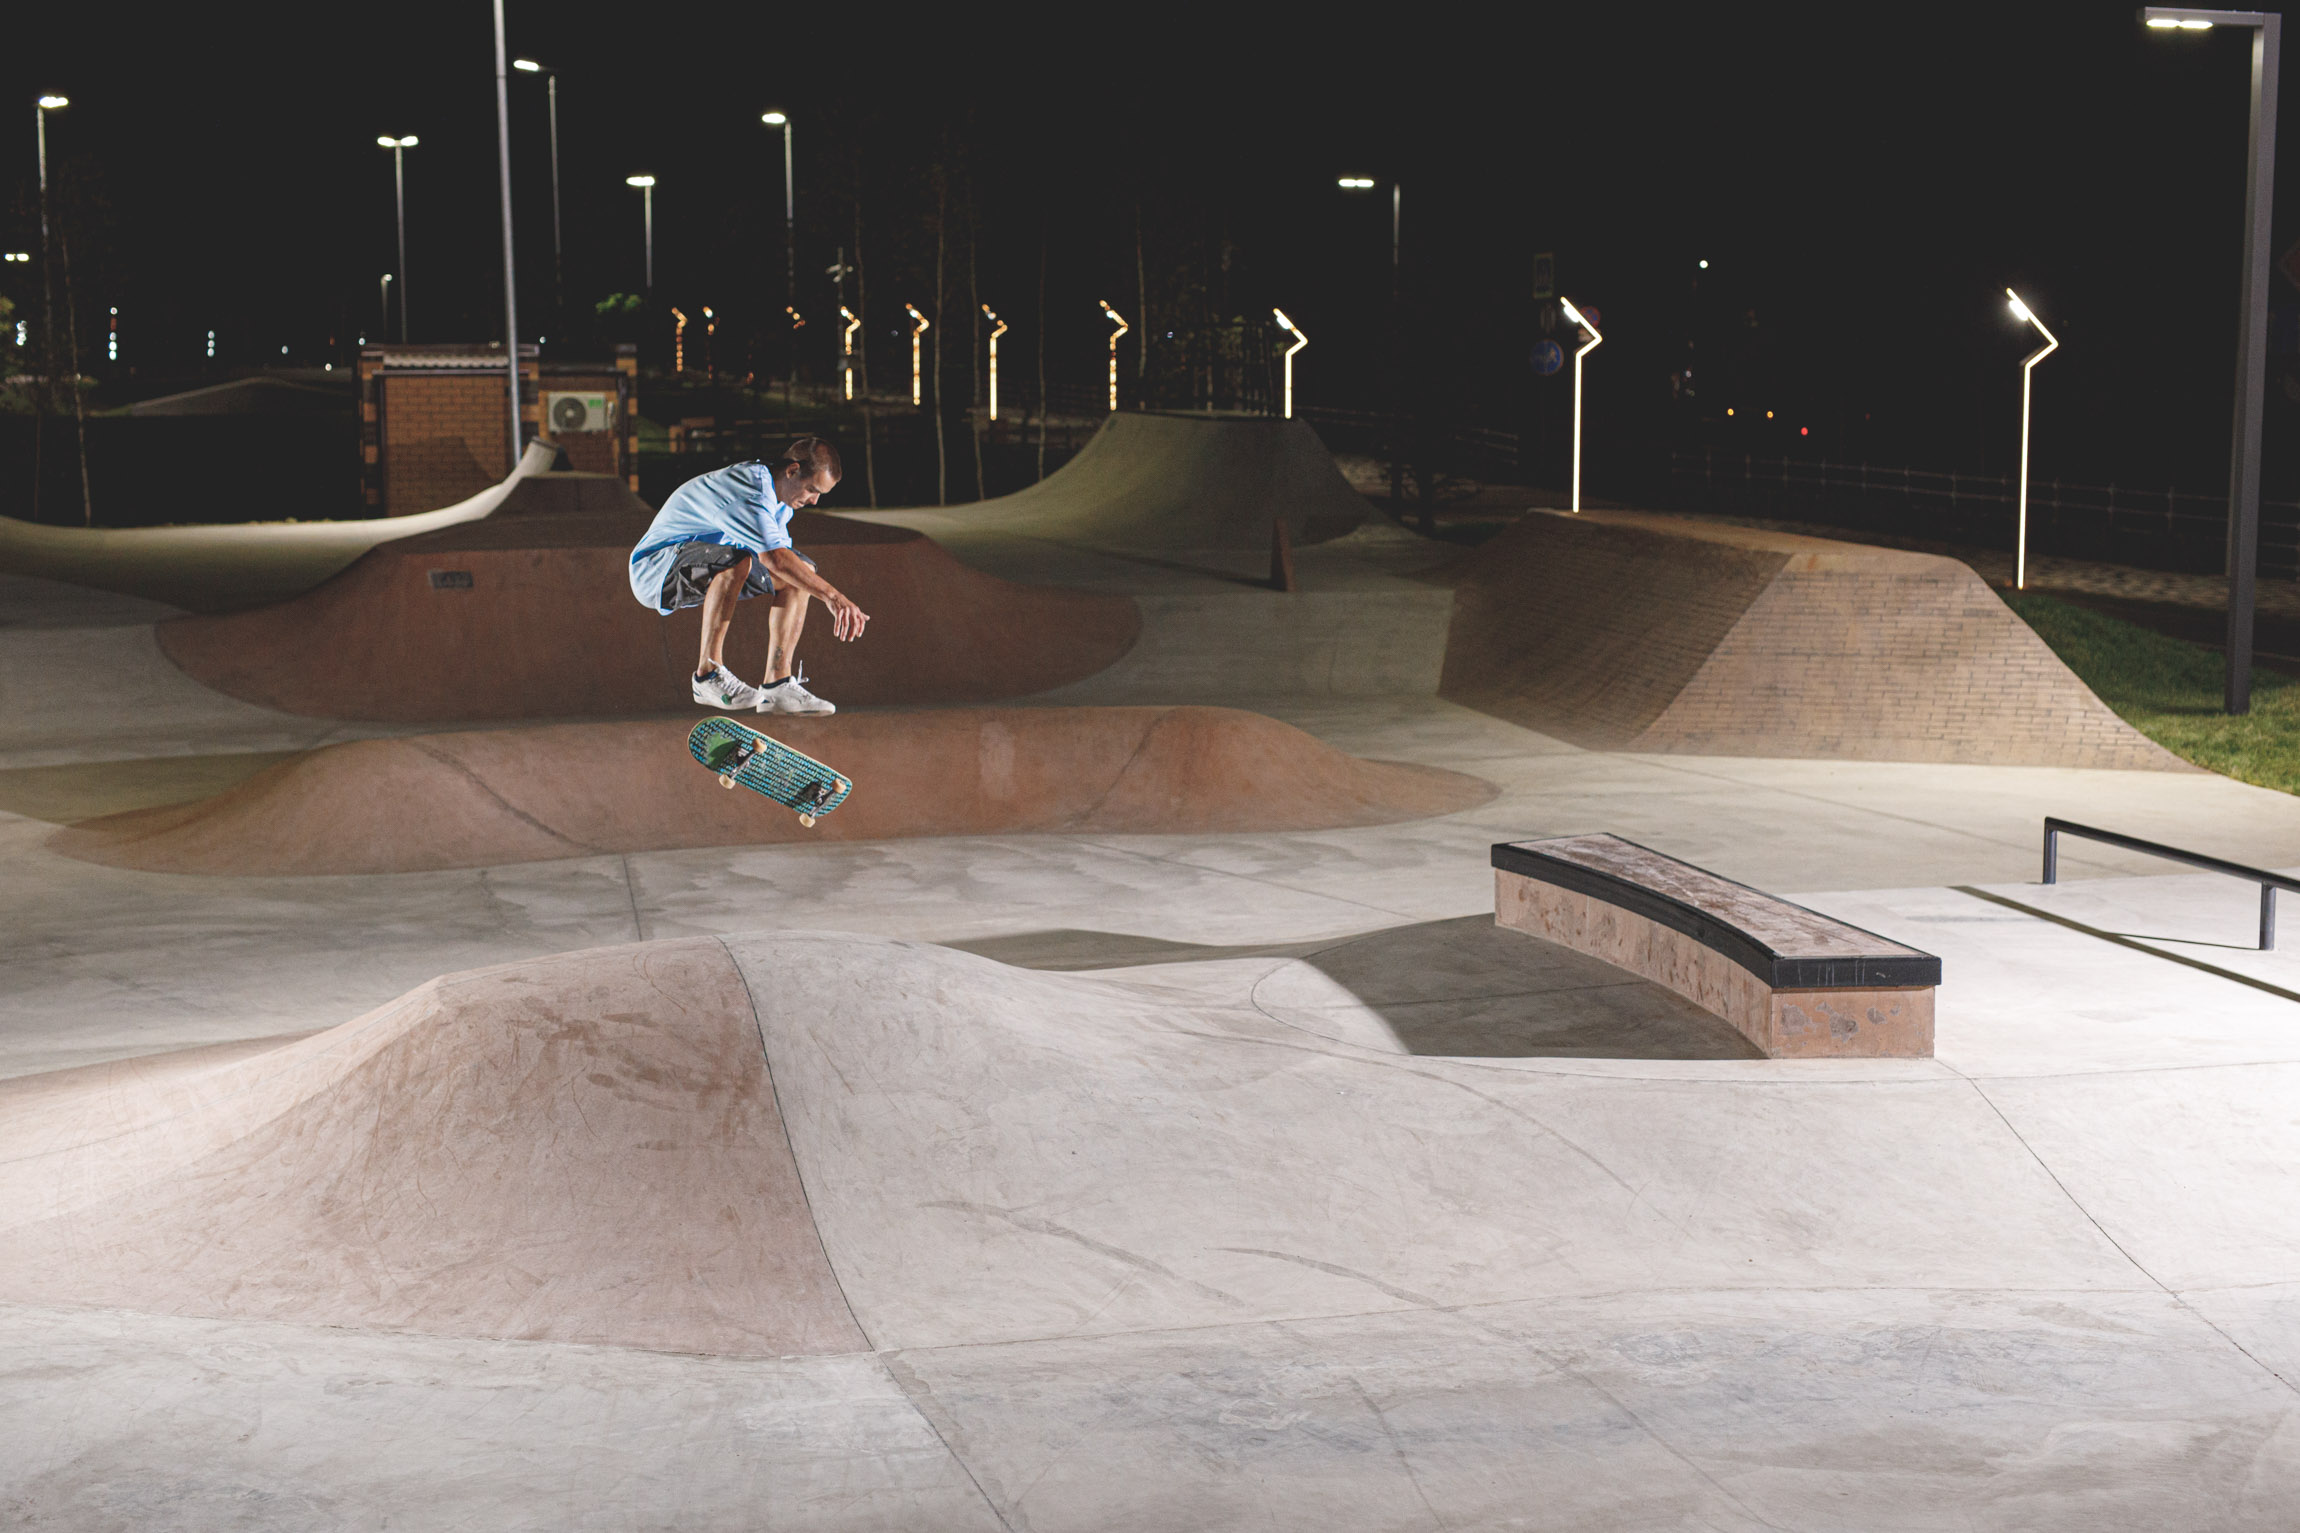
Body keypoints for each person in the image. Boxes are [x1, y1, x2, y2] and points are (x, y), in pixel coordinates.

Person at [627, 435, 870, 715]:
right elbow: (774, 559)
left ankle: (778, 684)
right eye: (812, 489)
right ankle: (707, 675)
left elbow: (788, 565)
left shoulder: (779, 504)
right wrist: (834, 598)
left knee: (800, 574)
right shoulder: (751, 490)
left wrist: (812, 583)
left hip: (698, 564)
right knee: (738, 561)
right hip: (656, 568)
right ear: (792, 470)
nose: (814, 500)